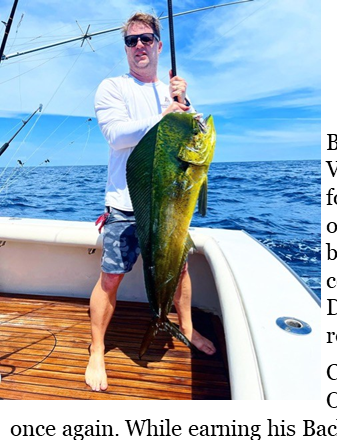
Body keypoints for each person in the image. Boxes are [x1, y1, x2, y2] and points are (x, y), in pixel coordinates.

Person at [86, 11, 216, 393]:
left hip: (168, 202)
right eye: (132, 40)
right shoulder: (112, 87)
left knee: (180, 270)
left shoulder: (171, 93)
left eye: (146, 39)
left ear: (159, 45)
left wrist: (183, 102)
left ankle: (186, 326)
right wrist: (163, 116)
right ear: (126, 48)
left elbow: (194, 134)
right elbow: (116, 135)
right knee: (111, 277)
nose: (139, 46)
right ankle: (97, 349)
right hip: (125, 204)